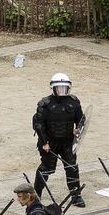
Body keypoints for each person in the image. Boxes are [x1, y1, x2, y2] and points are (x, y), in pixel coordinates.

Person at [33, 73, 85, 205]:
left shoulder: (74, 102)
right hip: (50, 142)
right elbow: (38, 125)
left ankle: (76, 195)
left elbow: (81, 119)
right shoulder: (45, 104)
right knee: (47, 168)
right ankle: (36, 194)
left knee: (72, 167)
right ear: (53, 88)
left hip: (67, 141)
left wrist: (78, 129)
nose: (62, 90)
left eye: (64, 88)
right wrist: (44, 142)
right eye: (59, 88)